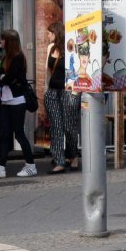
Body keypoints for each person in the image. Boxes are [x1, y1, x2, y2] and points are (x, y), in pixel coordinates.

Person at [0, 30, 37, 178]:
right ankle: (0, 167)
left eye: (3, 40)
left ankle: (31, 165)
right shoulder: (7, 57)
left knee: (18, 134)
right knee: (4, 134)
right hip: (6, 100)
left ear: (9, 42)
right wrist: (3, 77)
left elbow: (9, 78)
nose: (1, 42)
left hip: (17, 101)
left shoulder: (18, 58)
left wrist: (3, 77)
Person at [42, 22, 78, 174]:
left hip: (68, 91)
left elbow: (75, 71)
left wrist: (75, 92)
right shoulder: (51, 48)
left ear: (57, 33)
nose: (48, 36)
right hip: (52, 92)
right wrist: (45, 91)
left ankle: (73, 155)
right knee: (56, 126)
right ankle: (59, 161)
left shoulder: (71, 48)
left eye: (50, 33)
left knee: (69, 127)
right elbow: (47, 72)